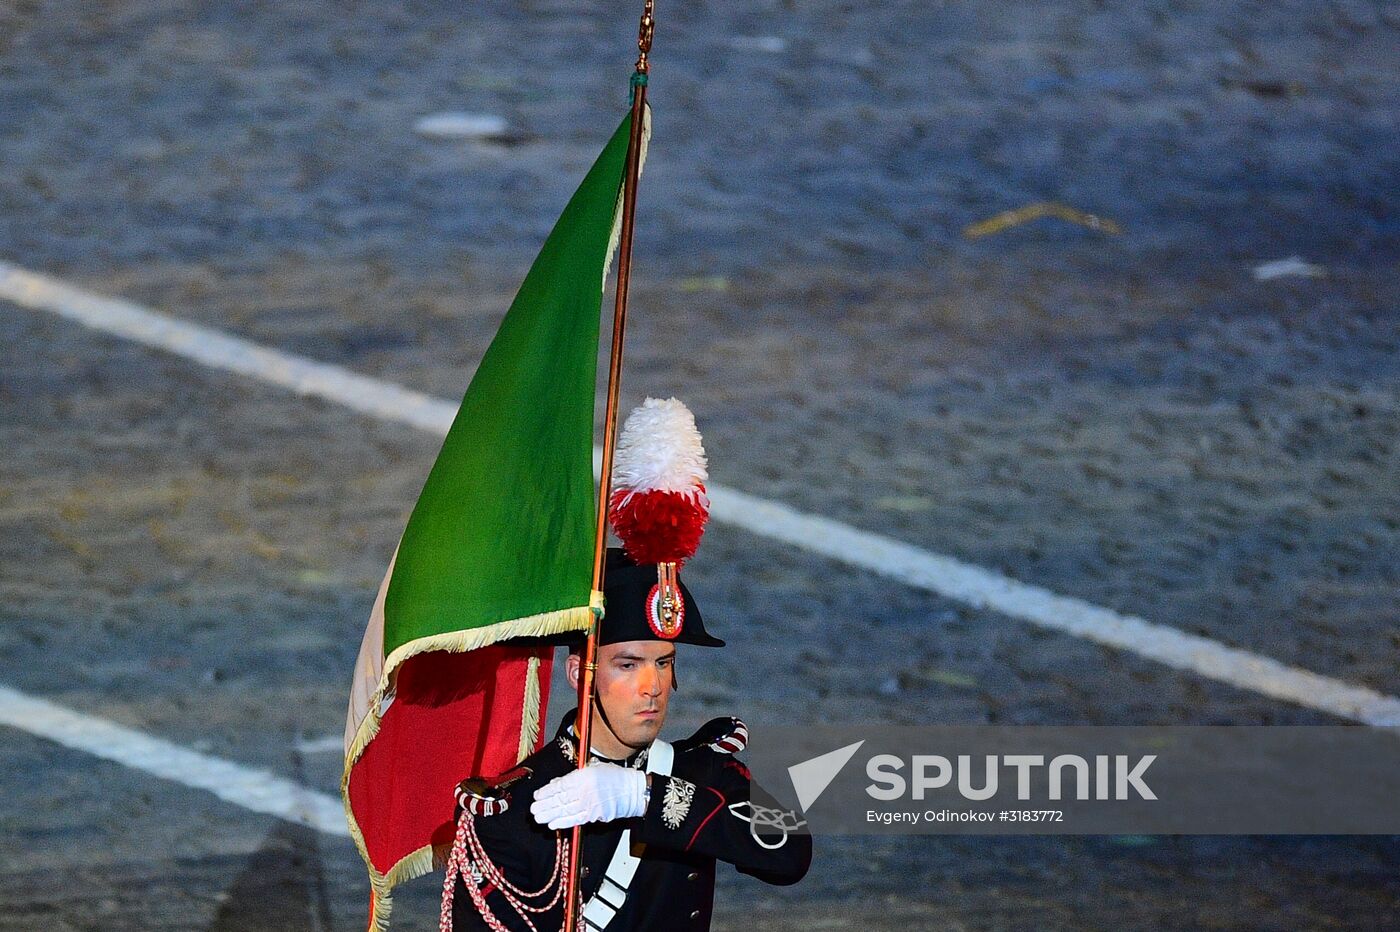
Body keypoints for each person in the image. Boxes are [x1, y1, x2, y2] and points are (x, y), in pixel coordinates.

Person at [444, 549, 811, 931]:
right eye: (628, 665)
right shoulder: (516, 808)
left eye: (664, 663)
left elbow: (789, 854)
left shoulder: (701, 773)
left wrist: (647, 796)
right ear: (579, 674)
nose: (652, 687)